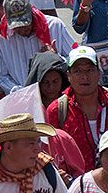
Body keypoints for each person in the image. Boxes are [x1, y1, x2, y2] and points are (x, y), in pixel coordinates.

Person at [46, 47, 108, 171]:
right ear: (69, 76)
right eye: (77, 71)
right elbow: (52, 154)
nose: (84, 76)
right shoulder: (57, 110)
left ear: (98, 73)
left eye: (89, 70)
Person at [0, 0, 73, 94]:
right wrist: (22, 92)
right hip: (20, 98)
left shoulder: (55, 26)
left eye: (25, 24)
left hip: (57, 95)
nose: (22, 30)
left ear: (32, 13)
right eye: (17, 27)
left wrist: (56, 58)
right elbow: (1, 77)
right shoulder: (0, 40)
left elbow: (74, 60)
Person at [0, 113, 67, 193]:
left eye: (38, 141)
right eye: (31, 143)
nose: (38, 149)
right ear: (8, 147)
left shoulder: (45, 168)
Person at [23, 52, 87, 182]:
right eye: (45, 82)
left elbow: (78, 171)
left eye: (55, 81)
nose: (51, 87)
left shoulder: (73, 104)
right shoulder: (28, 109)